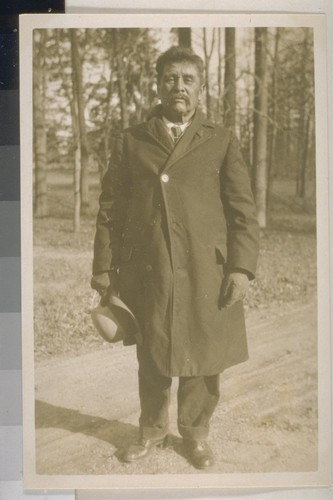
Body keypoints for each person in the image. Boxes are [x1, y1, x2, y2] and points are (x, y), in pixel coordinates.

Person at [91, 46, 260, 469]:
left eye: (187, 79)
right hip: (148, 266)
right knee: (152, 349)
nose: (178, 86)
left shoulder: (221, 140)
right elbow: (110, 207)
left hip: (207, 268)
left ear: (201, 87)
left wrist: (241, 266)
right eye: (170, 78)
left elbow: (243, 210)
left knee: (203, 352)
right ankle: (150, 431)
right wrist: (102, 269)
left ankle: (195, 435)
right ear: (158, 84)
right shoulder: (132, 140)